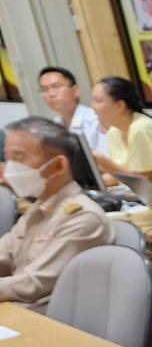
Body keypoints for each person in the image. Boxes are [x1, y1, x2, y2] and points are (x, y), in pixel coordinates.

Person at [0, 117, 110, 311]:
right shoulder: (40, 206)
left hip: (47, 323)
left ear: (59, 165)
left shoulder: (82, 217)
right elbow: (5, 255)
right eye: (7, 158)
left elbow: (34, 283)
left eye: (19, 158)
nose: (9, 169)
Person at [37, 66, 103, 153]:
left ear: (76, 91)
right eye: (44, 89)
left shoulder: (96, 120)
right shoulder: (53, 126)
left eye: (56, 87)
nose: (51, 94)